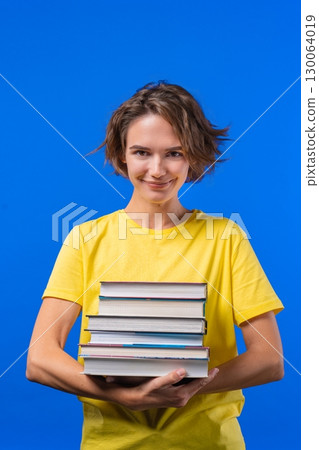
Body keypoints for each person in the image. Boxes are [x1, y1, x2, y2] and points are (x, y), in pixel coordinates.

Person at [26, 81, 284, 449]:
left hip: (209, 442)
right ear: (122, 156)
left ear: (193, 156)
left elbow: (269, 359)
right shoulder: (85, 240)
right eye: (142, 152)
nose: (158, 169)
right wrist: (123, 397)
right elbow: (39, 357)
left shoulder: (226, 239)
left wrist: (193, 386)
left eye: (174, 153)